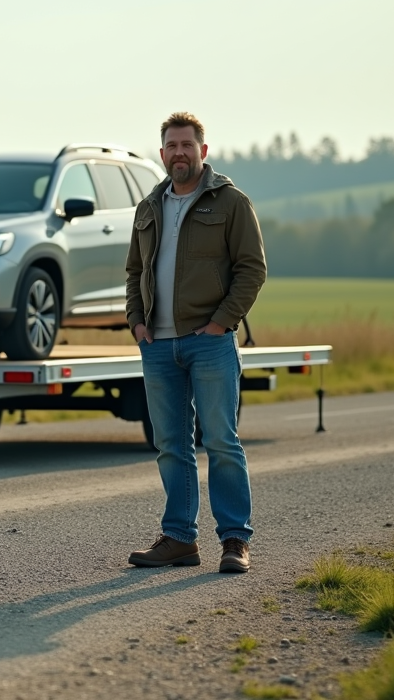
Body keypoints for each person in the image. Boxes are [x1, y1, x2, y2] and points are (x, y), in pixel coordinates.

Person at [125, 112, 267, 573]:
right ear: (162, 152)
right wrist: (137, 323)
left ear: (202, 151)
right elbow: (134, 272)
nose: (179, 153)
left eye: (187, 145)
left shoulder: (231, 202)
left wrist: (221, 323)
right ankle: (180, 539)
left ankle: (235, 540)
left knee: (221, 441)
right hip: (159, 346)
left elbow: (252, 269)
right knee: (171, 445)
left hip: (210, 343)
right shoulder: (149, 207)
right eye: (172, 145)